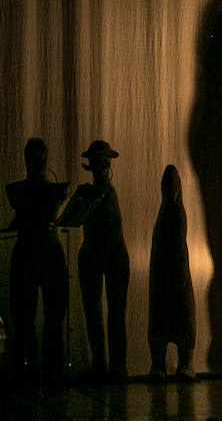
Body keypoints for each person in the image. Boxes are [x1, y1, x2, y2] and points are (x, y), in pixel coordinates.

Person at [58, 140, 130, 383]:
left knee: (114, 313)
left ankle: (117, 367)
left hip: (111, 255)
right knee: (95, 313)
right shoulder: (92, 193)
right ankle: (101, 364)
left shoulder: (107, 193)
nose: (100, 169)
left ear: (107, 166)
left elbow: (112, 230)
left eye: (103, 164)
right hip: (95, 254)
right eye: (96, 164)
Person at [4, 138, 69, 384]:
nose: (38, 163)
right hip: (34, 255)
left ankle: (49, 369)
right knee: (24, 318)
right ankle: (28, 371)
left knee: (52, 316)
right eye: (34, 158)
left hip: (46, 254)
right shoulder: (18, 190)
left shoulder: (38, 190)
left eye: (40, 159)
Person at [148, 165, 196, 382]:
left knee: (183, 323)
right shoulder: (167, 210)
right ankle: (159, 364)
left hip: (175, 277)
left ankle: (184, 364)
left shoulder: (175, 211)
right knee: (162, 324)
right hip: (164, 277)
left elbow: (177, 245)